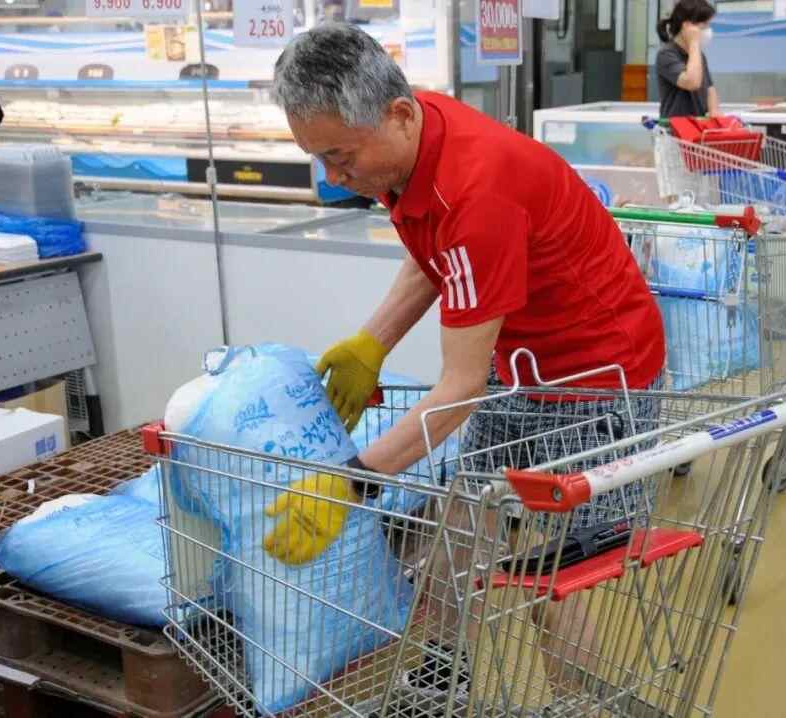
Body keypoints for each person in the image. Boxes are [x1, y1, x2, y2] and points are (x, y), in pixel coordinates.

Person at [264, 22, 667, 694]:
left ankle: (578, 704)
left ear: (398, 115)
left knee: (550, 576)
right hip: (523, 367)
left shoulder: (477, 188)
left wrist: (353, 481)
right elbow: (440, 250)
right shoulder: (411, 141)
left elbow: (459, 385)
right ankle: (441, 673)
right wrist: (374, 342)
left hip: (597, 379)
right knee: (460, 529)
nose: (333, 177)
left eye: (340, 156)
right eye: (319, 158)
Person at [655, 0, 721, 119]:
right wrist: (694, 42)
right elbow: (692, 82)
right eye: (704, 25)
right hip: (676, 126)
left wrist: (714, 110)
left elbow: (709, 87)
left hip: (699, 124)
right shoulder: (666, 54)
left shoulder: (698, 55)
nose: (708, 30)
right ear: (687, 26)